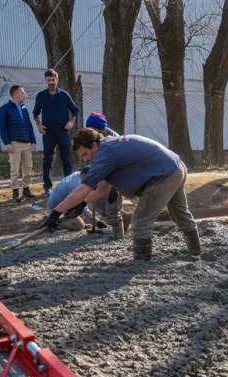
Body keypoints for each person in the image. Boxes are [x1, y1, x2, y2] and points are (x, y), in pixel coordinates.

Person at [39, 129, 200, 261]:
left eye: (85, 154)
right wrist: (81, 204)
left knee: (141, 221)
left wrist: (55, 213)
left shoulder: (105, 155)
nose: (86, 159)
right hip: (176, 167)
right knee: (180, 213)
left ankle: (141, 262)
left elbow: (83, 188)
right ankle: (196, 251)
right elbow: (102, 188)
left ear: (94, 145)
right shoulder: (110, 145)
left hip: (162, 176)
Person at [45, 112, 126, 238]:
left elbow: (104, 182)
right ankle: (113, 225)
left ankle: (118, 222)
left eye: (97, 132)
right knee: (91, 200)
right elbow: (80, 196)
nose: (96, 134)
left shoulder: (113, 141)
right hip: (59, 206)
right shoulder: (91, 142)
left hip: (117, 172)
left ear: (103, 131)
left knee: (107, 196)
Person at [32, 68, 80, 196]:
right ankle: (47, 186)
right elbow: (35, 113)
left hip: (63, 132)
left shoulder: (64, 95)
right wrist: (39, 126)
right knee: (47, 158)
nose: (51, 82)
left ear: (57, 80)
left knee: (66, 159)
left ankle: (68, 185)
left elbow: (75, 110)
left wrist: (71, 122)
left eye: (53, 80)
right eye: (49, 80)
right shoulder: (41, 96)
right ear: (45, 81)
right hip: (48, 133)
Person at [0, 85, 37, 202]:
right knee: (15, 168)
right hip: (14, 143)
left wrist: (33, 141)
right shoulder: (5, 109)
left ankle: (26, 189)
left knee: (28, 167)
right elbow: (2, 127)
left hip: (26, 143)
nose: (24, 94)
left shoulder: (24, 107)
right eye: (22, 92)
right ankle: (15, 192)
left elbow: (29, 126)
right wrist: (7, 143)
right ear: (15, 94)